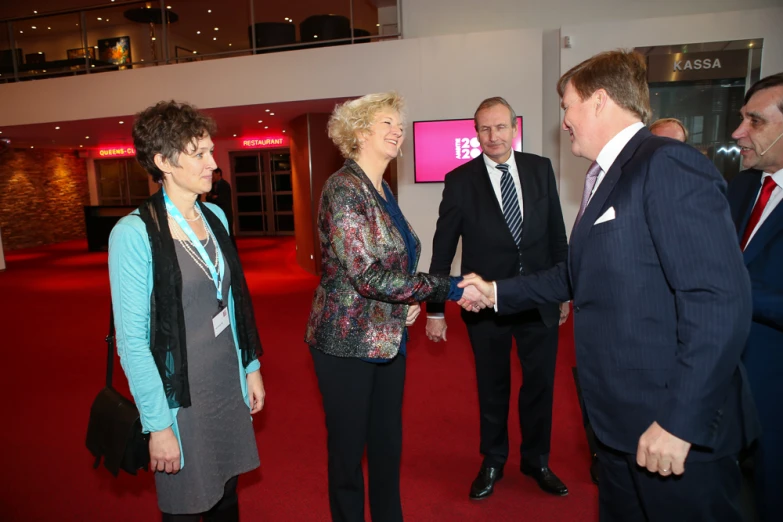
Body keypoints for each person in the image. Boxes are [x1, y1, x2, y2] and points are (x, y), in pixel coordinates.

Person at [458, 50, 759, 522]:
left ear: (599, 102)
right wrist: (495, 292)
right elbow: (576, 272)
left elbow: (719, 302)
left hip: (671, 429)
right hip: (617, 425)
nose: (565, 120)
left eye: (567, 105)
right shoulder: (604, 176)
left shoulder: (666, 165)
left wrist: (680, 421)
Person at [304, 92, 477, 522]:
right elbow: (366, 275)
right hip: (344, 343)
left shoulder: (379, 188)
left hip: (387, 337)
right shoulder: (343, 189)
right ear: (359, 132)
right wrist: (447, 289)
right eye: (386, 122)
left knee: (385, 447)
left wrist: (405, 306)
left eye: (398, 123)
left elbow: (390, 268)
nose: (398, 130)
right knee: (347, 455)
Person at [108, 101, 265, 521]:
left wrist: (249, 367)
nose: (213, 163)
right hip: (180, 400)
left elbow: (232, 299)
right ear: (163, 162)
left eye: (210, 151)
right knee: (186, 507)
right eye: (199, 154)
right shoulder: (134, 233)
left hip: (224, 384)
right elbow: (133, 342)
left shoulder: (213, 215)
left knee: (227, 498)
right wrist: (158, 426)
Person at [426, 96, 569, 500]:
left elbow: (557, 235)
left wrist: (564, 292)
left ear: (513, 128)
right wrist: (435, 308)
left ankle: (537, 460)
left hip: (538, 298)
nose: (493, 136)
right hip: (483, 305)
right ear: (476, 134)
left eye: (500, 127)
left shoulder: (540, 169)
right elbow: (442, 249)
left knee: (540, 384)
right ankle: (492, 459)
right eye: (485, 129)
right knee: (493, 386)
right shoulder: (459, 180)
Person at [727, 72, 783, 522]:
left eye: (755, 122)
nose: (738, 132)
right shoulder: (742, 185)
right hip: (723, 378)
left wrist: (727, 285)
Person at [206, 167, 235, 242]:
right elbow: (208, 197)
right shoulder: (213, 185)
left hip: (225, 212)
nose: (212, 176)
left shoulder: (224, 185)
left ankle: (232, 251)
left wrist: (214, 197)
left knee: (228, 233)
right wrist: (213, 197)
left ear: (218, 173)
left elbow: (222, 199)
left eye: (213, 174)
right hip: (216, 212)